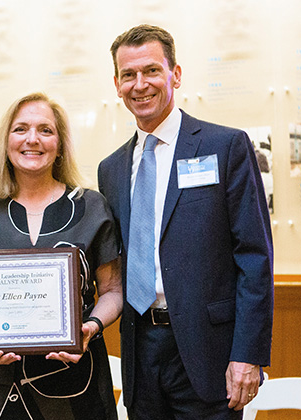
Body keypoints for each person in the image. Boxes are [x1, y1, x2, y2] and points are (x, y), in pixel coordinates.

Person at [97, 24, 273, 419]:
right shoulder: (110, 169)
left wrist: (248, 354)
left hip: (208, 354)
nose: (140, 84)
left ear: (175, 74)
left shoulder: (224, 147)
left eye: (151, 71)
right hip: (140, 353)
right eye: (129, 75)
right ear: (117, 83)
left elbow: (255, 257)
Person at [0, 92, 123, 420]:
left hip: (75, 380)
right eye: (20, 129)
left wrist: (90, 327)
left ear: (60, 144)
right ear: (5, 141)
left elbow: (114, 291)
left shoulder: (92, 208)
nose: (32, 139)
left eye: (46, 130)